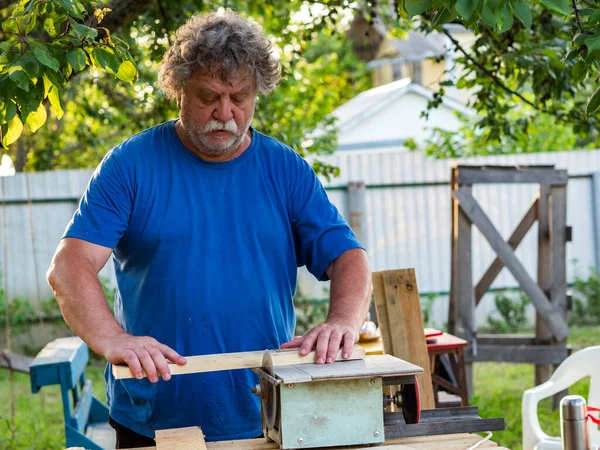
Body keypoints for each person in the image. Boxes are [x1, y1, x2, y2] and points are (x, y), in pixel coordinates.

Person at [46, 10, 372, 448]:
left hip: (266, 411)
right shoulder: (130, 166)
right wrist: (113, 339)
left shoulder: (285, 170)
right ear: (178, 91)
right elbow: (70, 265)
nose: (225, 113)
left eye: (239, 97)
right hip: (155, 418)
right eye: (208, 96)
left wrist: (343, 320)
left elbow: (348, 256)